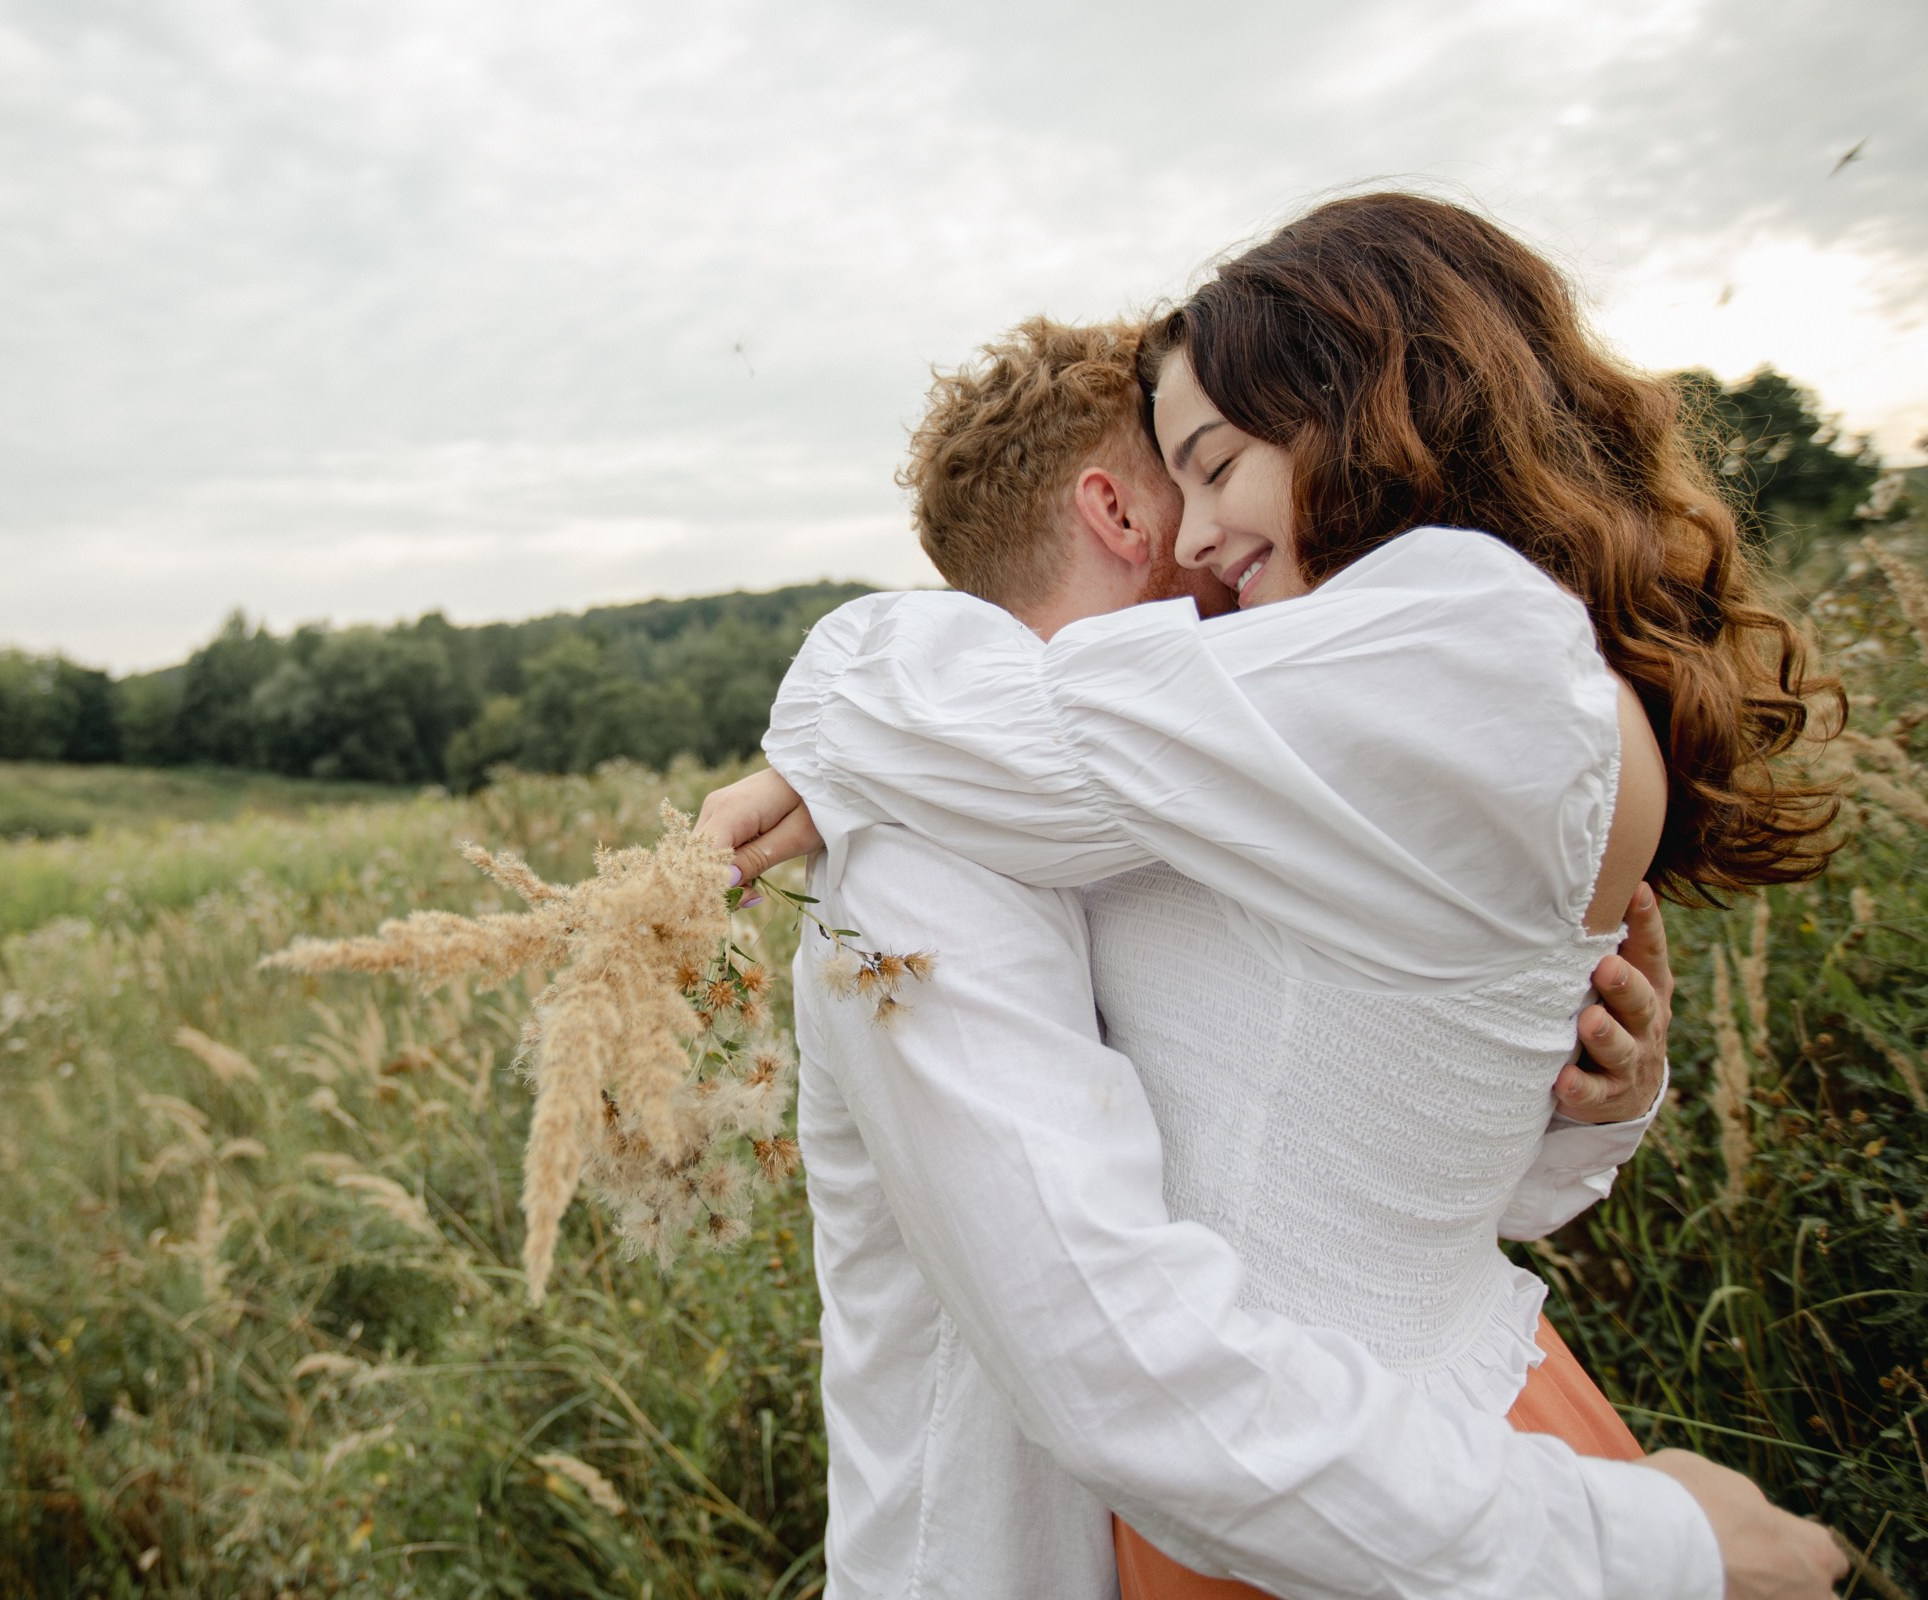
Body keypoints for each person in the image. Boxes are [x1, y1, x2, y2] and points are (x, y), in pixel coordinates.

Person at [698, 204, 1846, 1598]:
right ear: (1118, 511)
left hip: (1375, 1485)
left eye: (1223, 461)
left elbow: (1349, 1142)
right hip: (1310, 1494)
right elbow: (1293, 1127)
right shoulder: (944, 843)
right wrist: (1582, 1091)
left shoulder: (1424, 687)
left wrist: (846, 724)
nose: (1207, 531)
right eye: (1179, 474)